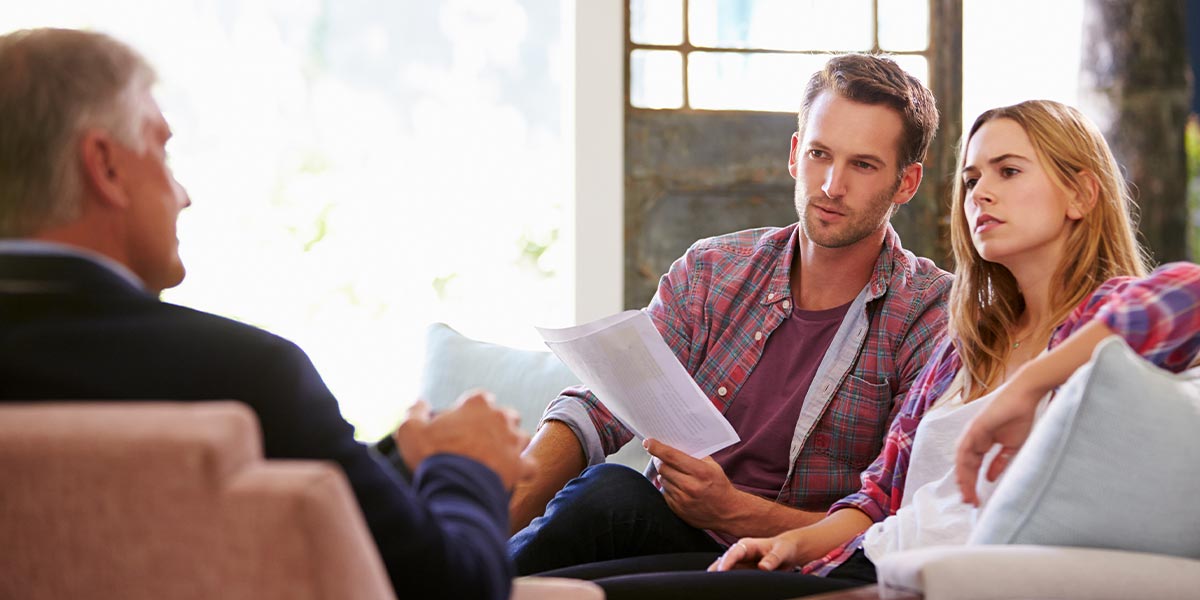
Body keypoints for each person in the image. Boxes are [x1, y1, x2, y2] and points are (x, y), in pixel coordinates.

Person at [0, 28, 529, 600]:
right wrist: (465, 467)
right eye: (162, 149)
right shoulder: (240, 379)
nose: (183, 194)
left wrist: (403, 463)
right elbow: (451, 590)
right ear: (104, 166)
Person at [693, 100, 1200, 598]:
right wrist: (786, 545)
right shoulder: (967, 342)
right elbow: (878, 501)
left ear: (1081, 195)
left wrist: (1031, 383)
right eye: (973, 179)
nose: (981, 194)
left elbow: (1190, 293)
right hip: (865, 558)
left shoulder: (1103, 318)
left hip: (935, 579)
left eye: (1008, 171)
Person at [508, 53, 952, 575]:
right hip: (668, 538)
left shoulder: (930, 314)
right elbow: (598, 408)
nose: (832, 185)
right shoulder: (712, 271)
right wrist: (490, 521)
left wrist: (733, 510)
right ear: (794, 154)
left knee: (603, 504)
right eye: (819, 154)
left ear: (906, 182)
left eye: (863, 164)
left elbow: (899, 514)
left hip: (802, 567)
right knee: (589, 516)